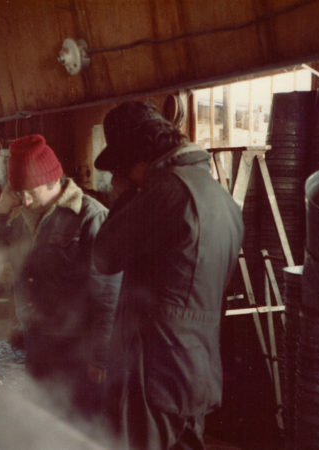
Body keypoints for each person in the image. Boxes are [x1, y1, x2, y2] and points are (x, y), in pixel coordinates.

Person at [92, 101, 244, 450]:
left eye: (124, 169)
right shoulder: (222, 200)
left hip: (155, 367)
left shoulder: (167, 192)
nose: (125, 177)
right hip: (197, 363)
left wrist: (125, 195)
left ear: (139, 160)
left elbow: (104, 256)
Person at [0, 133, 121, 419]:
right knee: (45, 421)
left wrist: (100, 355)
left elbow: (108, 293)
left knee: (80, 424)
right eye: (17, 189)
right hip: (37, 342)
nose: (23, 198)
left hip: (78, 348)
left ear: (52, 181)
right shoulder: (18, 216)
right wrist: (1, 208)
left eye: (29, 190)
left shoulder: (90, 217)